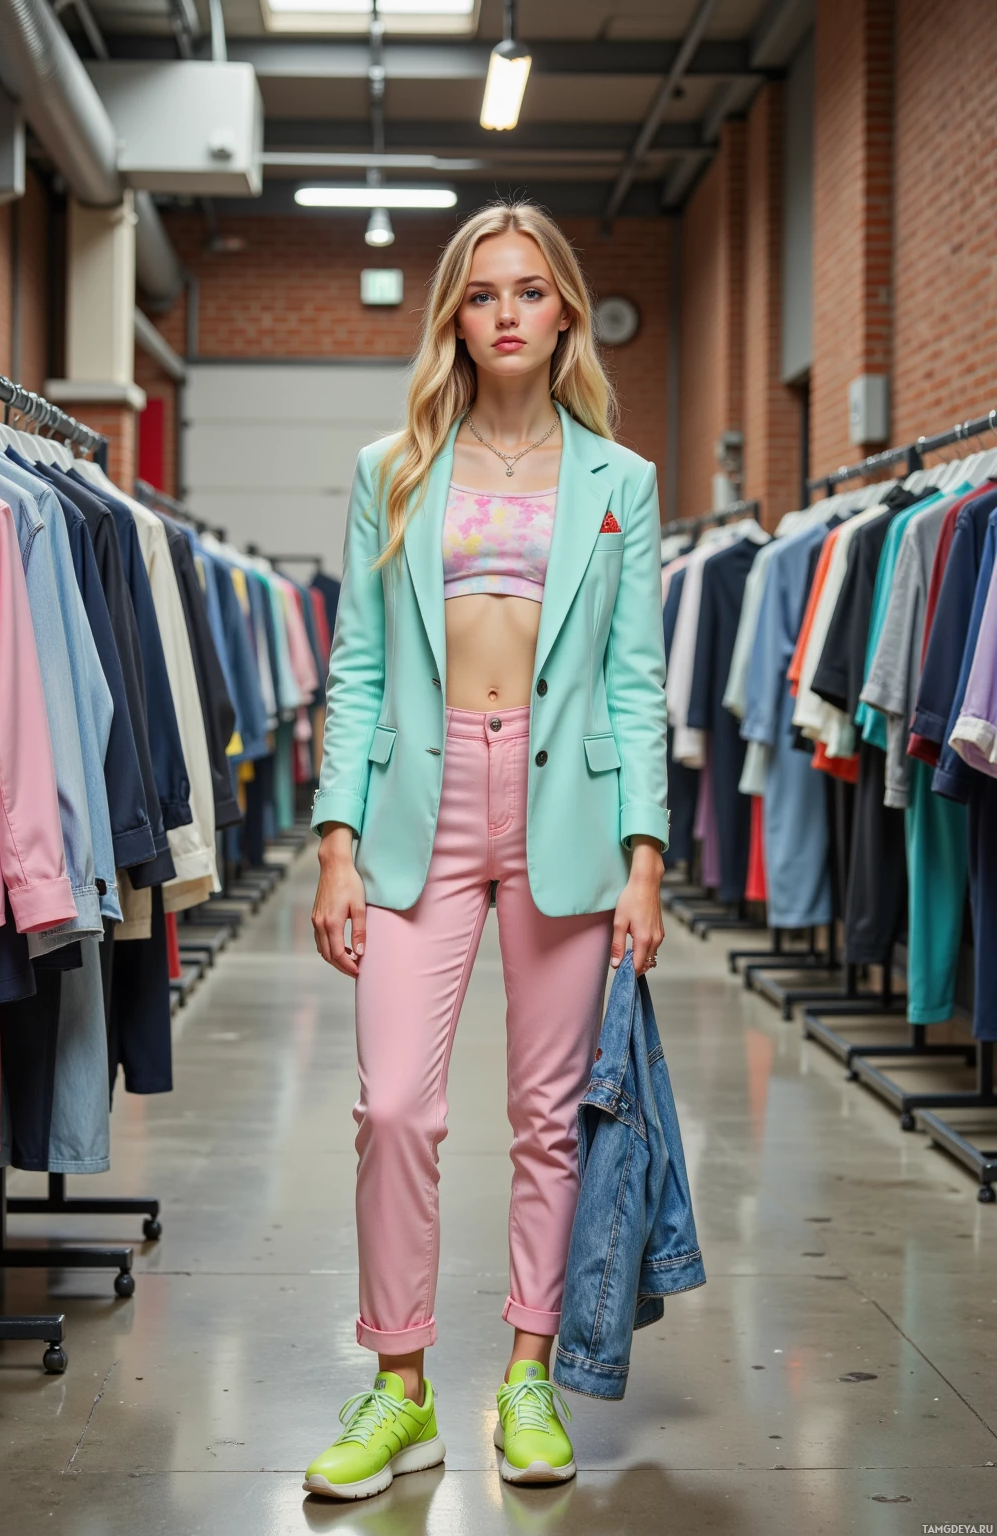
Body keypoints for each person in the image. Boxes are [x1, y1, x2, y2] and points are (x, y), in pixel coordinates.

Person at [304, 200, 670, 1501]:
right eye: (481, 293)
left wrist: (646, 853)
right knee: (394, 1104)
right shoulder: (393, 469)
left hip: (564, 812)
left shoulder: (619, 483)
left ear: (564, 309)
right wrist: (336, 840)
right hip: (422, 805)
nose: (506, 311)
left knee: (545, 1121)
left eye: (529, 289)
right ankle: (399, 1388)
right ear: (453, 317)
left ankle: (527, 1377)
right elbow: (355, 668)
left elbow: (636, 685)